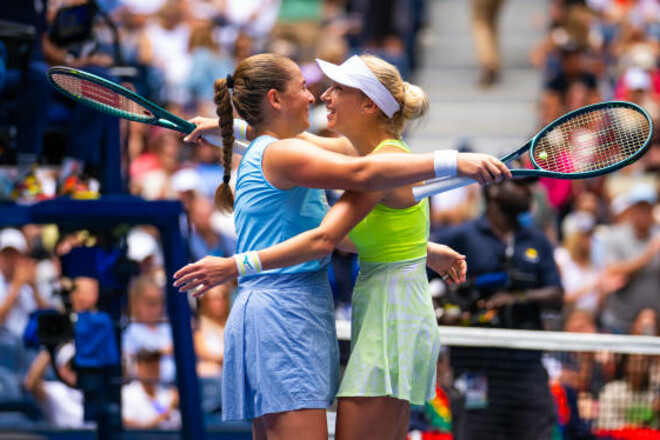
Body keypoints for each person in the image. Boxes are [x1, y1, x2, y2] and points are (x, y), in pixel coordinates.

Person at [173, 52, 510, 439]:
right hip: (302, 316)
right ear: (275, 99)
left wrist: (423, 248)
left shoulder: (367, 159)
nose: (320, 96)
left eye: (337, 88)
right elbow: (343, 201)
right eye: (308, 87)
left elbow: (344, 209)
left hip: (366, 314)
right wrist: (456, 161)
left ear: (368, 104)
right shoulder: (349, 159)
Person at [432, 177, 564, 440]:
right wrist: (443, 313)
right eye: (520, 186)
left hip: (527, 368)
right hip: (474, 368)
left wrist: (516, 297)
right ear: (493, 189)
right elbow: (416, 273)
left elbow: (557, 296)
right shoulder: (461, 236)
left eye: (530, 187)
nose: (528, 193)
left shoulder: (537, 239)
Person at [194, 282, 233, 377]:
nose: (219, 303)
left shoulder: (232, 323)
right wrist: (229, 357)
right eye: (214, 299)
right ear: (205, 302)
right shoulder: (199, 326)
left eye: (222, 298)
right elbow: (205, 354)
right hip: (214, 374)